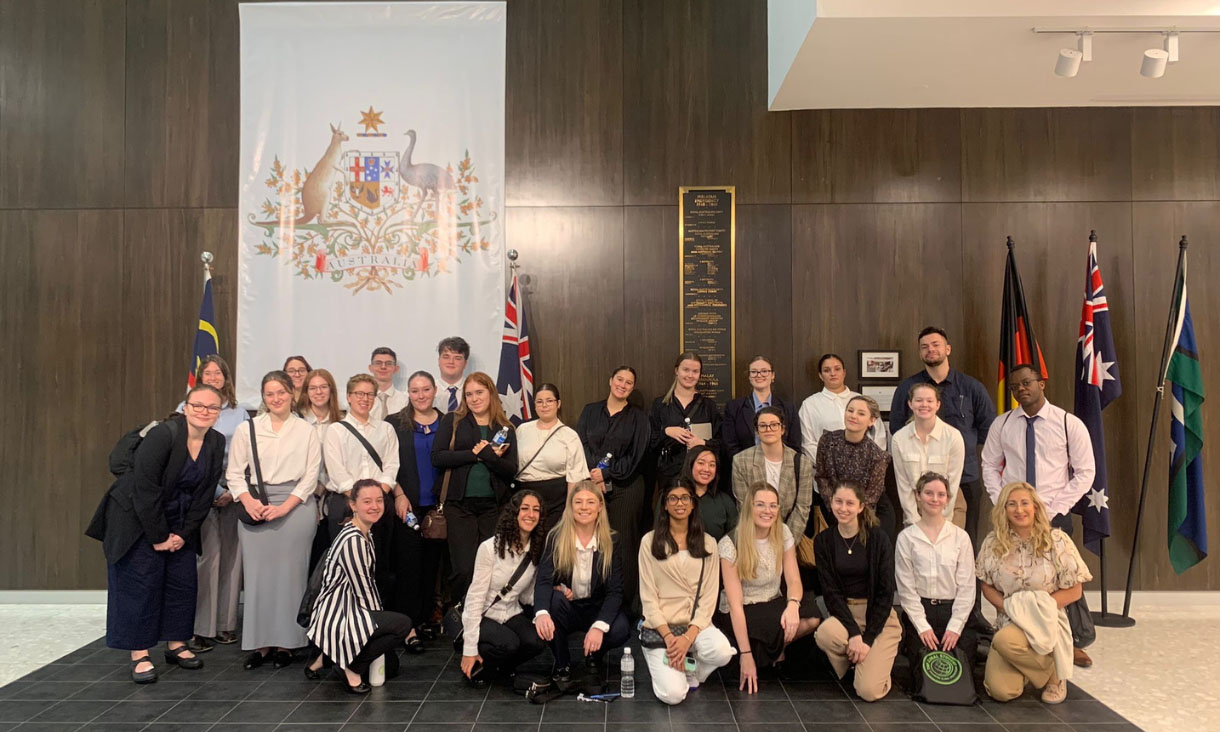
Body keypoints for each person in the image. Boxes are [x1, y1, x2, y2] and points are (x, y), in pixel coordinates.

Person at [86, 384, 226, 684]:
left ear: (219, 412)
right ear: (185, 407)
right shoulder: (164, 434)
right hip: (137, 518)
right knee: (140, 585)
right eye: (198, 405)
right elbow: (145, 489)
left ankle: (177, 643)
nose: (204, 412)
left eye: (212, 407)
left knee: (182, 583)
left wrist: (183, 533)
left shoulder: (215, 441)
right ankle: (140, 653)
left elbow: (204, 494)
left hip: (180, 521)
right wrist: (160, 536)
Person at [980, 364, 1097, 668]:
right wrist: (1002, 501)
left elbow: (1085, 471)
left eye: (1027, 383)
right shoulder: (1003, 424)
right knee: (1017, 573)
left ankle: (1074, 640)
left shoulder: (1068, 423)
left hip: (1053, 513)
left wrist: (1056, 507)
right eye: (1015, 386)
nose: (1021, 389)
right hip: (1014, 513)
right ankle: (1018, 629)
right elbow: (989, 465)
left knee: (1062, 577)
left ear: (1041, 383)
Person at [228, 370, 322, 670]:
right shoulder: (248, 429)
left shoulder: (306, 430)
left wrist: (284, 508)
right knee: (258, 579)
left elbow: (310, 477)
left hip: (296, 507)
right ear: (263, 397)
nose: (276, 398)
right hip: (256, 505)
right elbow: (234, 474)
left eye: (281, 392)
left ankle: (288, 644)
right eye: (270, 394)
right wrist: (249, 502)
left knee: (291, 578)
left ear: (292, 393)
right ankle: (261, 644)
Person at [976, 482, 1091, 704]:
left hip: (1045, 620)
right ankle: (1048, 669)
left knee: (1004, 641)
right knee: (1001, 691)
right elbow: (986, 585)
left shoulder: (1057, 540)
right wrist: (1010, 608)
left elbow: (1075, 590)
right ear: (1004, 509)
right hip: (1011, 619)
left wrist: (1035, 608)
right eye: (1012, 504)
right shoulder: (993, 543)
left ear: (1035, 507)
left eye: (1024, 503)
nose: (1019, 510)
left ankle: (1053, 675)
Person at [305, 479, 414, 694]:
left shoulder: (364, 533)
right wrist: (381, 622)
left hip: (350, 608)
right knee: (403, 625)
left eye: (379, 501)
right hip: (339, 614)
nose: (375, 506)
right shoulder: (353, 540)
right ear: (353, 505)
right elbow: (364, 590)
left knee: (391, 666)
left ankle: (326, 658)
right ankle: (349, 667)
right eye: (367, 501)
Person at [889, 327, 995, 545]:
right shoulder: (907, 388)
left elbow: (988, 428)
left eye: (936, 344)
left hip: (964, 478)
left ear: (948, 349)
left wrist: (965, 445)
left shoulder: (972, 387)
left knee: (965, 542)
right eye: (924, 347)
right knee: (919, 541)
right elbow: (897, 427)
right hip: (917, 482)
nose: (930, 350)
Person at [638, 480, 734, 705]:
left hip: (695, 626)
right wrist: (671, 639)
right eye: (673, 498)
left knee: (723, 651)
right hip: (662, 630)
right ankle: (669, 664)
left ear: (693, 504)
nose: (679, 503)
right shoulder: (649, 542)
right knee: (673, 695)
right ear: (665, 504)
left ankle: (691, 669)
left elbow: (708, 598)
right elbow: (648, 598)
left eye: (684, 498)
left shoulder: (708, 543)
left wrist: (687, 637)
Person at [717, 483, 819, 693]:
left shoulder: (783, 532)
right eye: (760, 505)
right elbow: (735, 605)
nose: (768, 511)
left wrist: (793, 605)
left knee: (812, 615)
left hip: (772, 601)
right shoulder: (730, 543)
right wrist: (746, 655)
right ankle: (756, 655)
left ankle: (771, 651)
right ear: (749, 507)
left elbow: (794, 580)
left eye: (773, 505)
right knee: (768, 625)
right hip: (744, 608)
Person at [181, 356, 250, 653]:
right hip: (201, 489)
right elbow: (184, 454)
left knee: (232, 559)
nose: (213, 377)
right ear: (199, 377)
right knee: (208, 559)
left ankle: (225, 624)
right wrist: (215, 490)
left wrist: (232, 490)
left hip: (234, 489)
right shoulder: (186, 408)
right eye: (207, 373)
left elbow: (247, 455)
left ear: (226, 377)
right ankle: (201, 628)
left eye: (218, 373)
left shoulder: (239, 412)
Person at [432, 372, 519, 603]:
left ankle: (486, 613)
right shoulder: (452, 421)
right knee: (463, 568)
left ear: (491, 393)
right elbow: (437, 457)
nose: (474, 398)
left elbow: (511, 470)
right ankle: (461, 612)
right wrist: (476, 455)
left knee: (491, 568)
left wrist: (488, 456)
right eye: (469, 394)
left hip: (493, 508)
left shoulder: (505, 427)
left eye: (479, 392)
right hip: (459, 506)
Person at [813, 481, 902, 702]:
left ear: (861, 507)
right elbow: (831, 594)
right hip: (847, 614)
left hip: (878, 617)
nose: (843, 508)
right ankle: (860, 663)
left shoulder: (878, 539)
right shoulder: (824, 541)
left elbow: (885, 594)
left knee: (868, 692)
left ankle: (873, 663)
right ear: (831, 503)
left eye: (850, 503)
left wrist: (867, 639)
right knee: (825, 634)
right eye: (838, 502)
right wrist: (854, 634)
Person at [533, 482, 631, 681]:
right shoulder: (556, 537)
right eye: (578, 502)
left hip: (596, 606)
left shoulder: (612, 540)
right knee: (553, 603)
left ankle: (594, 654)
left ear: (600, 507)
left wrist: (599, 626)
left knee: (620, 628)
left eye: (590, 502)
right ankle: (562, 663)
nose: (584, 507)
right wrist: (541, 613)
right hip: (568, 606)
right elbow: (543, 580)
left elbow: (615, 591)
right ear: (570, 506)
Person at [576, 366, 652, 616]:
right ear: (610, 381)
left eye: (629, 382)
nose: (623, 385)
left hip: (626, 487)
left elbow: (637, 456)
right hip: (591, 487)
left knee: (624, 546)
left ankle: (625, 607)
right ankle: (595, 603)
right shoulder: (590, 411)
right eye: (619, 379)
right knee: (593, 543)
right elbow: (581, 443)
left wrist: (607, 473)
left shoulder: (639, 418)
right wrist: (595, 473)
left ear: (632, 388)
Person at [894, 472, 978, 687]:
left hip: (955, 611)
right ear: (917, 496)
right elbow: (906, 589)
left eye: (941, 494)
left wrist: (955, 627)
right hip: (922, 611)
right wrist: (922, 626)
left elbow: (967, 588)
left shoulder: (960, 537)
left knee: (958, 681)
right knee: (924, 681)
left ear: (947, 499)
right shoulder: (906, 538)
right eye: (929, 493)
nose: (934, 499)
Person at [459, 490, 548, 687]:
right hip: (484, 614)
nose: (531, 514)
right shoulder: (489, 548)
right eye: (525, 508)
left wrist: (554, 593)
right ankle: (479, 665)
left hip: (510, 613)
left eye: (536, 510)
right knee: (508, 643)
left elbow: (526, 596)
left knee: (536, 641)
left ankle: (500, 668)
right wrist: (469, 649)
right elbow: (475, 598)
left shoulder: (535, 550)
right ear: (514, 512)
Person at [387, 370, 447, 646]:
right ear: (408, 394)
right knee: (408, 566)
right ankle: (407, 626)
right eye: (415, 390)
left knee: (431, 567)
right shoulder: (394, 423)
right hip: (406, 506)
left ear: (434, 391)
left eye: (425, 389)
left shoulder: (448, 423)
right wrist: (398, 494)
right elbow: (387, 464)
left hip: (438, 510)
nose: (420, 395)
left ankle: (424, 620)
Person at [322, 374, 401, 544]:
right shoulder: (336, 430)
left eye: (370, 394)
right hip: (346, 503)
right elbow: (336, 472)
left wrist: (376, 498)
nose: (365, 399)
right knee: (347, 554)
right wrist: (360, 501)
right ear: (348, 397)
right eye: (359, 394)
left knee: (380, 555)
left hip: (380, 503)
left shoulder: (386, 429)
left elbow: (392, 465)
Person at [515, 383, 590, 535]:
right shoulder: (522, 430)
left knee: (551, 543)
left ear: (558, 403)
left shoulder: (569, 435)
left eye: (549, 401)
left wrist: (569, 509)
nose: (544, 405)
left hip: (556, 502)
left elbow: (575, 476)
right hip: (525, 497)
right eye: (539, 401)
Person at [815, 395, 894, 539]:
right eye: (850, 411)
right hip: (831, 510)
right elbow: (822, 477)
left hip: (865, 516)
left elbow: (871, 496)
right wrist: (835, 505)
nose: (853, 416)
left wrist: (849, 511)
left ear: (872, 421)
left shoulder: (878, 456)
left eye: (861, 413)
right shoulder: (827, 441)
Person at [731, 406, 815, 540]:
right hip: (754, 537)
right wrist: (762, 542)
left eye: (774, 425)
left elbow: (802, 508)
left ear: (782, 429)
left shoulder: (802, 463)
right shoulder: (741, 461)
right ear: (757, 431)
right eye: (763, 426)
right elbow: (745, 507)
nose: (768, 429)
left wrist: (785, 543)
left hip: (789, 536)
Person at [891, 383, 966, 528]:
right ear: (910, 404)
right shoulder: (899, 439)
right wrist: (914, 521)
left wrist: (942, 522)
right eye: (919, 400)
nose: (924, 405)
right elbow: (903, 485)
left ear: (938, 405)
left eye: (929, 401)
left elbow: (953, 481)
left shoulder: (953, 436)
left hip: (949, 506)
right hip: (915, 506)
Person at [649, 352, 723, 492]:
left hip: (700, 476)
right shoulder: (660, 405)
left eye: (695, 371)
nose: (690, 375)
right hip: (668, 475)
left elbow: (722, 443)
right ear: (677, 370)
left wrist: (703, 443)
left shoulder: (708, 406)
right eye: (686, 370)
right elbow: (649, 442)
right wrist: (666, 431)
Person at [799, 353, 887, 462]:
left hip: (866, 466)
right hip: (827, 468)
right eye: (827, 370)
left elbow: (879, 436)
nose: (833, 373)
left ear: (844, 373)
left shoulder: (863, 401)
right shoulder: (810, 404)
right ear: (820, 376)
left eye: (837, 369)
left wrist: (867, 463)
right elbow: (808, 444)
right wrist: (833, 464)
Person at [298, 368, 343, 571]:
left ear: (331, 390)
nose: (318, 392)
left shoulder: (342, 422)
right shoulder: (296, 420)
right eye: (313, 388)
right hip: (302, 495)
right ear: (306, 392)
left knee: (324, 556)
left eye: (323, 387)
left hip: (331, 496)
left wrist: (323, 486)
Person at [722, 355, 801, 457]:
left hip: (781, 465)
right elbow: (730, 446)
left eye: (764, 371)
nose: (759, 375)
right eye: (754, 372)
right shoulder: (734, 408)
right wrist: (746, 463)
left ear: (772, 375)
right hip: (744, 464)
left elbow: (794, 445)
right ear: (749, 377)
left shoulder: (788, 409)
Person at [684, 445, 737, 540]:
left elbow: (734, 537)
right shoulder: (674, 497)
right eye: (701, 463)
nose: (706, 469)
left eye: (712, 465)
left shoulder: (725, 501)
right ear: (690, 464)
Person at [368, 347, 409, 421]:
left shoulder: (406, 401)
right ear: (370, 368)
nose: (383, 367)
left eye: (388, 363)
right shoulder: (362, 400)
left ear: (396, 369)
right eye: (378, 363)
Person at [434, 336, 470, 412]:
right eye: (446, 357)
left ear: (465, 364)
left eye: (457, 358)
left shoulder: (473, 390)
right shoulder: (427, 391)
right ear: (439, 361)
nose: (451, 362)